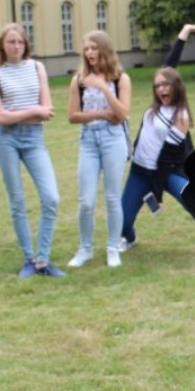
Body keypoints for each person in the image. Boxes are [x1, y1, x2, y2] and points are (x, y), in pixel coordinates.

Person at [118, 22, 195, 261]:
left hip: (167, 171)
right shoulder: (156, 107)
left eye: (166, 84)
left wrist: (157, 193)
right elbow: (168, 66)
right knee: (121, 221)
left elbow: (166, 159)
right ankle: (129, 237)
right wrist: (185, 32)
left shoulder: (180, 116)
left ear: (176, 87)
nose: (161, 87)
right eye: (157, 84)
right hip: (139, 171)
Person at [0, 23, 65, 278]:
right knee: (18, 200)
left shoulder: (37, 68)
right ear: (3, 45)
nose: (16, 46)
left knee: (51, 197)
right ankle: (29, 259)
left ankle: (43, 259)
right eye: (11, 42)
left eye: (20, 42)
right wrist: (32, 111)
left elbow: (48, 109)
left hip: (34, 139)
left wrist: (17, 114)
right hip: (6, 141)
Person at [67, 30, 132, 268]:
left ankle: (113, 248)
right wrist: (102, 114)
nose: (89, 53)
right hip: (89, 140)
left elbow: (123, 113)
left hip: (113, 139)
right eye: (86, 48)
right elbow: (72, 116)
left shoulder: (120, 79)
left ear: (104, 50)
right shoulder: (79, 80)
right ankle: (85, 248)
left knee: (113, 197)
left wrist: (104, 88)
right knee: (86, 200)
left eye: (93, 48)